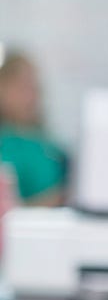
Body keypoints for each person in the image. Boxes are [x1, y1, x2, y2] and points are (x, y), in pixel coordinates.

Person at [0, 49, 67, 207]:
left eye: (34, 86)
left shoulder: (47, 144)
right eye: (22, 87)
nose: (32, 95)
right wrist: (56, 199)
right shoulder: (6, 145)